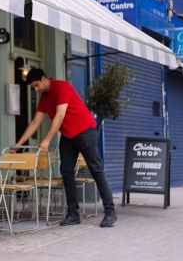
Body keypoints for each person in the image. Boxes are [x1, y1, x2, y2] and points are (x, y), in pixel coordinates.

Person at [11, 68, 117, 228]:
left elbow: (59, 116)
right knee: (66, 171)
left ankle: (110, 211)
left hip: (84, 131)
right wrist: (18, 145)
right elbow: (34, 123)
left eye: (36, 85)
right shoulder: (44, 98)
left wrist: (46, 140)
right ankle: (73, 213)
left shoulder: (62, 87)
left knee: (95, 169)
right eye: (33, 87)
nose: (36, 89)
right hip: (68, 136)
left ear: (43, 78)